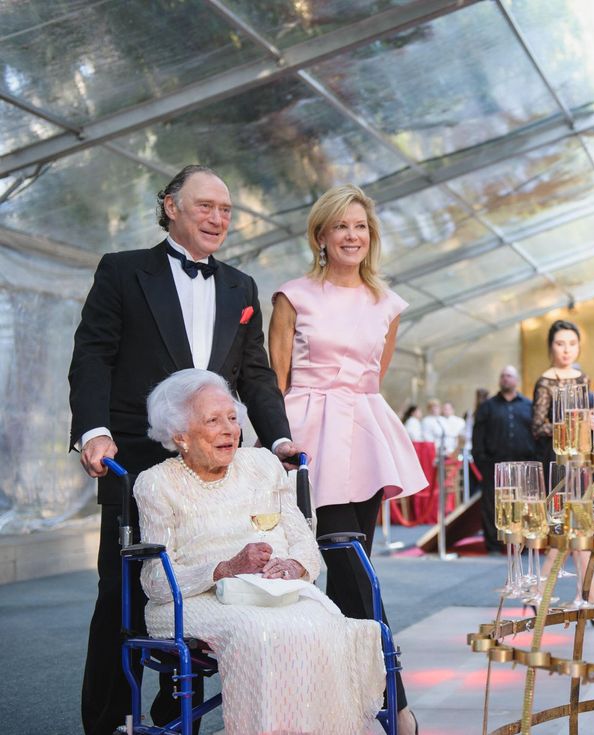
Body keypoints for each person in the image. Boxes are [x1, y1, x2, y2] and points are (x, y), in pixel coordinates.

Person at [68, 164, 301, 735]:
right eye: (206, 206)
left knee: (208, 581)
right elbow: (93, 355)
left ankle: (177, 708)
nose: (219, 218)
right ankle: (109, 721)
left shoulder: (241, 287)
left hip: (217, 466)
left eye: (225, 210)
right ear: (170, 206)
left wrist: (278, 436)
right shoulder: (122, 272)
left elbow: (256, 374)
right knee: (121, 593)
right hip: (138, 461)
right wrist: (93, 430)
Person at [136, 369, 385, 735]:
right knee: (260, 633)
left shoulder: (262, 465)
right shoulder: (156, 483)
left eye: (233, 418)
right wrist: (224, 568)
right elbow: (155, 581)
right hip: (191, 600)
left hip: (274, 591)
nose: (229, 429)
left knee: (327, 625)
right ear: (180, 436)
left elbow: (304, 541)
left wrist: (294, 565)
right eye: (213, 420)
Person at [268, 183, 425, 735]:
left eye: (360, 227)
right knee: (348, 575)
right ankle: (397, 702)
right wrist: (277, 447)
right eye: (341, 226)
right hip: (307, 442)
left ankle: (345, 709)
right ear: (321, 235)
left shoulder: (387, 303)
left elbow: (373, 378)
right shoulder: (292, 296)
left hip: (365, 439)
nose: (352, 236)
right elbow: (276, 378)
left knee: (351, 581)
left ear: (370, 236)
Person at [529, 320, 594, 618]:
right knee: (567, 531)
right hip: (556, 462)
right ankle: (577, 600)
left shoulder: (582, 377)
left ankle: (585, 599)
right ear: (551, 346)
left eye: (572, 344)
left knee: (580, 532)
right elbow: (537, 427)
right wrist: (568, 425)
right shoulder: (545, 381)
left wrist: (587, 424)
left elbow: (586, 419)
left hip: (580, 459)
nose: (566, 349)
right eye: (561, 343)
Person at [472, 365, 536, 553]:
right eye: (503, 376)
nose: (506, 379)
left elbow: (536, 434)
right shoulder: (487, 407)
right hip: (493, 465)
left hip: (522, 465)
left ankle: (521, 545)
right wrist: (481, 461)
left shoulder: (528, 405)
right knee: (491, 505)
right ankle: (493, 544)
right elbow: (478, 436)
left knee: (522, 506)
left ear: (516, 380)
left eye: (509, 376)